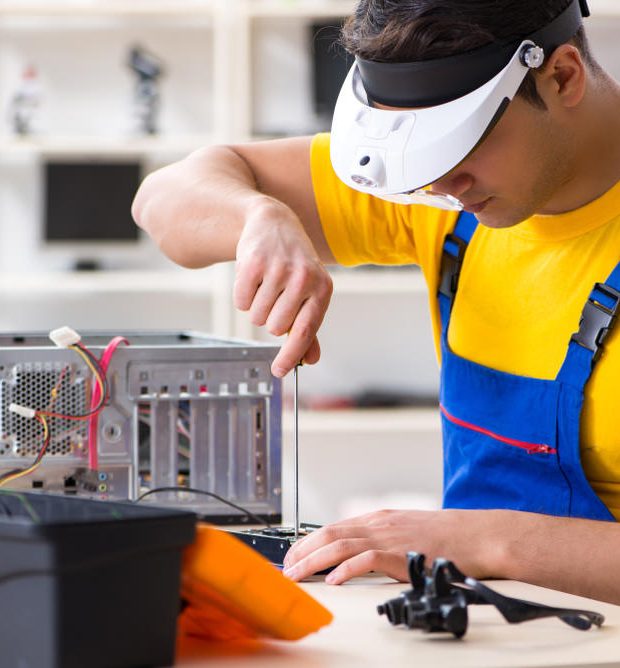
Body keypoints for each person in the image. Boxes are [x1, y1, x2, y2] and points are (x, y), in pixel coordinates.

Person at [132, 0, 620, 603]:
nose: (437, 182)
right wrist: (261, 217)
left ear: (563, 75)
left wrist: (486, 542)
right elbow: (162, 201)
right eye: (420, 152)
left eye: (458, 143)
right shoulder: (447, 197)